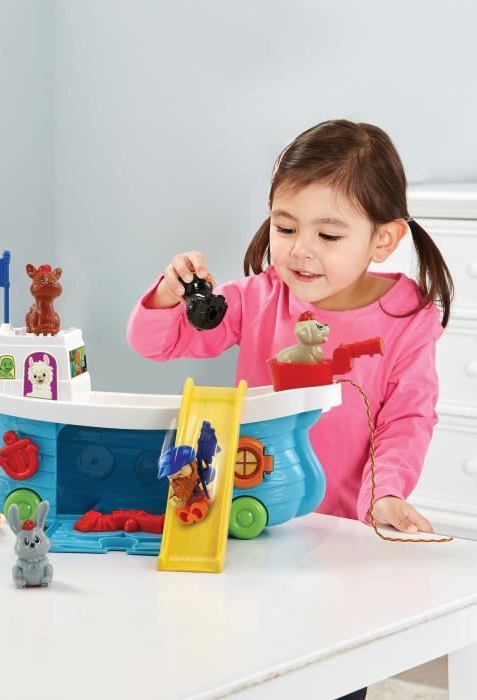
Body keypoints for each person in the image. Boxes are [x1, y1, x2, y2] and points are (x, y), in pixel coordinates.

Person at [127, 119, 453, 700]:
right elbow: (158, 343)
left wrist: (384, 494)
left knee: (333, 672)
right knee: (243, 661)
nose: (300, 250)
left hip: (336, 537)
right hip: (247, 523)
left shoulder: (408, 318)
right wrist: (167, 296)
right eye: (285, 227)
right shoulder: (256, 298)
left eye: (328, 235)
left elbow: (406, 419)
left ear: (383, 240)